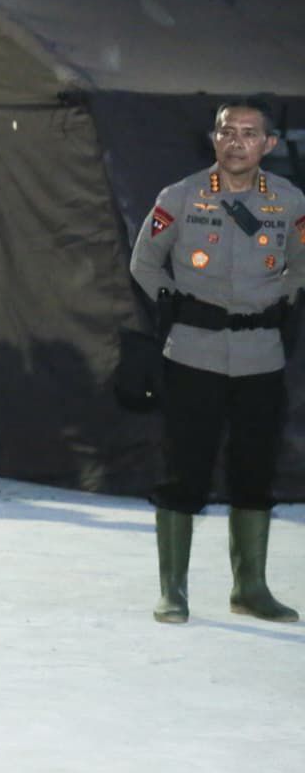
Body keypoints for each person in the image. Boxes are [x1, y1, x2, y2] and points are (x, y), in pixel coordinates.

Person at [129, 96, 303, 624]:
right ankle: (173, 590)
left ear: (268, 144)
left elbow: (299, 267)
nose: (236, 142)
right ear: (214, 138)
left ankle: (250, 588)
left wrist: (282, 302)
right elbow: (144, 263)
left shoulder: (290, 202)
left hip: (260, 359)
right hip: (192, 354)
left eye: (249, 134)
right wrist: (174, 306)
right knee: (183, 473)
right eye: (227, 131)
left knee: (255, 473)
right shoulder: (180, 196)